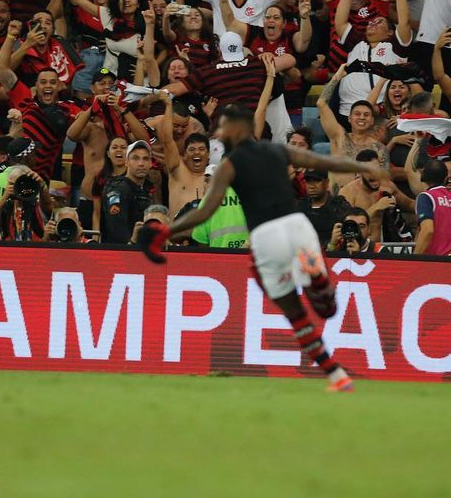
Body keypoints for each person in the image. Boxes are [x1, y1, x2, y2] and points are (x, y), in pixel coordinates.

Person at [138, 103, 390, 392]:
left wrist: (166, 231)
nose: (220, 132)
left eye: (225, 126)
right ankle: (318, 284)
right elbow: (325, 163)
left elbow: (205, 212)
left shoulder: (229, 165)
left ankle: (336, 375)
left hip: (266, 237)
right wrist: (362, 166)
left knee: (294, 312)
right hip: (298, 227)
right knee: (328, 309)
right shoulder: (277, 151)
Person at [101, 140, 154, 244]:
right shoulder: (118, 189)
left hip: (139, 251)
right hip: (120, 252)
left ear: (150, 163)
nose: (141, 163)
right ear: (126, 162)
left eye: (145, 159)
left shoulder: (146, 189)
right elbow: (116, 228)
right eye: (135, 158)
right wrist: (130, 244)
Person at [190, 164, 249, 250]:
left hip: (220, 260)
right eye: (207, 180)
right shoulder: (249, 194)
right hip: (248, 256)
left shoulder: (206, 201)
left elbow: (201, 242)